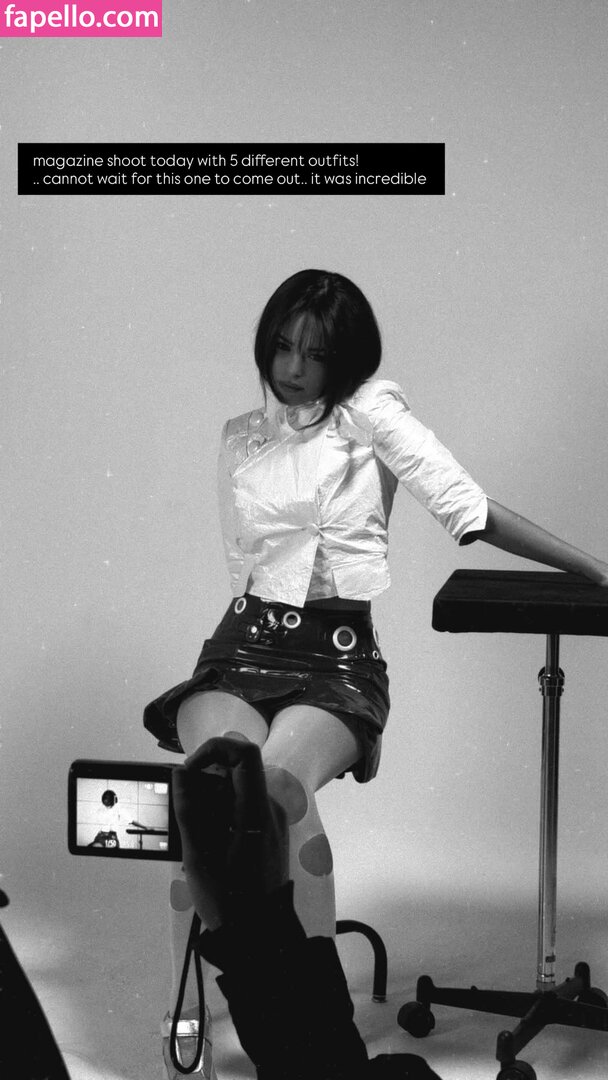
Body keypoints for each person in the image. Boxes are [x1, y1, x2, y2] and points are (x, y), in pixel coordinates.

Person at [143, 269, 608, 1078]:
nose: (292, 367)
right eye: (282, 346)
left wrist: (596, 569)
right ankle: (187, 1001)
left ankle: (316, 1039)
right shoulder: (243, 433)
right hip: (240, 647)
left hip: (334, 659)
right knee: (213, 796)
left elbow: (472, 510)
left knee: (277, 794)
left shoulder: (374, 419)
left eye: (316, 354)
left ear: (348, 359)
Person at [172, 735, 444, 1080]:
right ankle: (187, 1007)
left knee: (275, 784)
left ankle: (189, 1011)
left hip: (343, 696)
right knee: (216, 783)